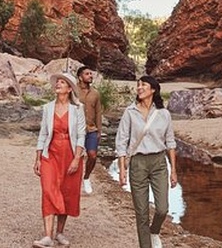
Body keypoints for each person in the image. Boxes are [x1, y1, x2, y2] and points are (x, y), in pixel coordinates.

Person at [115, 75, 178, 248]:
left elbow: (170, 143)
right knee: (141, 213)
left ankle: (154, 231)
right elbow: (121, 142)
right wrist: (122, 170)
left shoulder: (164, 114)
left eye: (143, 85)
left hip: (159, 163)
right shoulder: (130, 112)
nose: (139, 88)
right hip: (138, 163)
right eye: (138, 85)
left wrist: (173, 170)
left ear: (153, 90)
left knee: (162, 209)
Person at [33, 73, 86, 247]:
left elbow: (81, 135)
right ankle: (47, 236)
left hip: (70, 155)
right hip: (50, 154)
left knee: (67, 192)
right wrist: (38, 158)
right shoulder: (48, 107)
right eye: (57, 82)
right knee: (48, 190)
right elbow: (43, 133)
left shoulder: (77, 108)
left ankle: (60, 232)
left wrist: (77, 159)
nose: (58, 84)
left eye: (62, 82)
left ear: (69, 89)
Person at [76, 65, 102, 195]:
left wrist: (99, 131)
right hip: (76, 130)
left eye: (91, 74)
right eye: (87, 74)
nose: (90, 76)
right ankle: (73, 182)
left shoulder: (95, 93)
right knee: (75, 157)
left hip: (91, 129)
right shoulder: (73, 91)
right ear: (80, 77)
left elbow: (98, 112)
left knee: (92, 155)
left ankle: (86, 177)